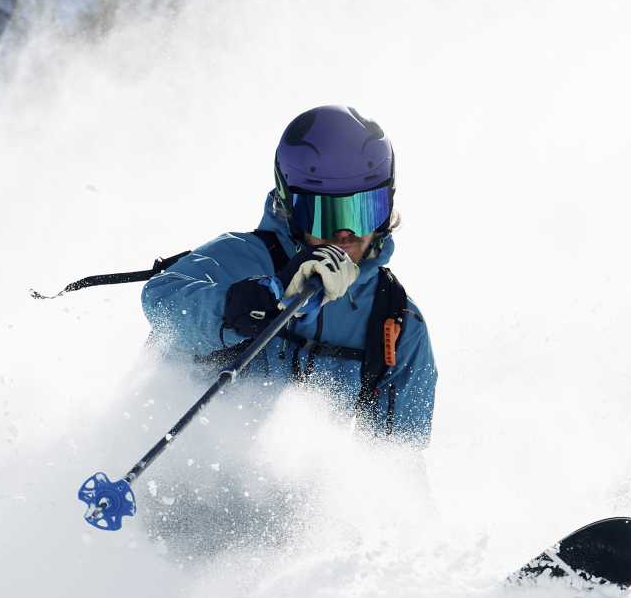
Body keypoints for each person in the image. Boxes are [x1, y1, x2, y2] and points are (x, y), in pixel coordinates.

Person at [141, 105, 437, 444]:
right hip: (174, 470)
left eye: (363, 212)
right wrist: (258, 300)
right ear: (289, 208)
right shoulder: (242, 258)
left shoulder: (396, 322)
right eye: (323, 216)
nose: (344, 235)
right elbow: (160, 300)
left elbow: (399, 464)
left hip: (291, 490)